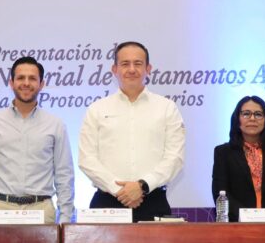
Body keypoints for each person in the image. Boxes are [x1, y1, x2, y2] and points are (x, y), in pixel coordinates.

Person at [78, 41, 185, 222]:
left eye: (138, 63)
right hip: (107, 202)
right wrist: (119, 190)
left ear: (148, 69)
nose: (132, 69)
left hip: (153, 201)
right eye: (125, 64)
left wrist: (142, 186)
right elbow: (87, 159)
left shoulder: (167, 108)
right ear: (115, 69)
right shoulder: (97, 109)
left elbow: (175, 158)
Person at [0, 57, 74, 224]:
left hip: (41, 211)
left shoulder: (55, 125)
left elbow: (64, 175)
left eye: (32, 78)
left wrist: (65, 221)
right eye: (20, 78)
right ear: (11, 83)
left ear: (41, 84)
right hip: (1, 209)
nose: (26, 83)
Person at [211, 95, 265, 221]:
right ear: (237, 119)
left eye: (258, 114)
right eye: (246, 114)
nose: (252, 118)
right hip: (237, 224)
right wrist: (248, 217)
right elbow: (220, 191)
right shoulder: (223, 152)